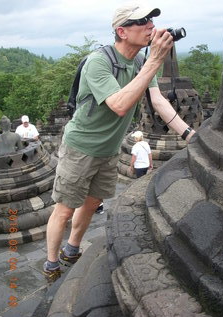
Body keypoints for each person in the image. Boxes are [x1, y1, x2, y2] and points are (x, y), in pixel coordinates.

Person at [43, 3, 195, 281]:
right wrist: (153, 61)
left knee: (91, 205)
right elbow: (120, 105)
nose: (151, 25)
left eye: (151, 20)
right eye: (143, 21)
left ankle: (72, 249)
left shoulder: (139, 62)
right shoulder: (99, 62)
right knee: (64, 210)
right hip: (81, 148)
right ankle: (51, 263)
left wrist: (190, 136)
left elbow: (158, 101)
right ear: (122, 31)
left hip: (110, 150)